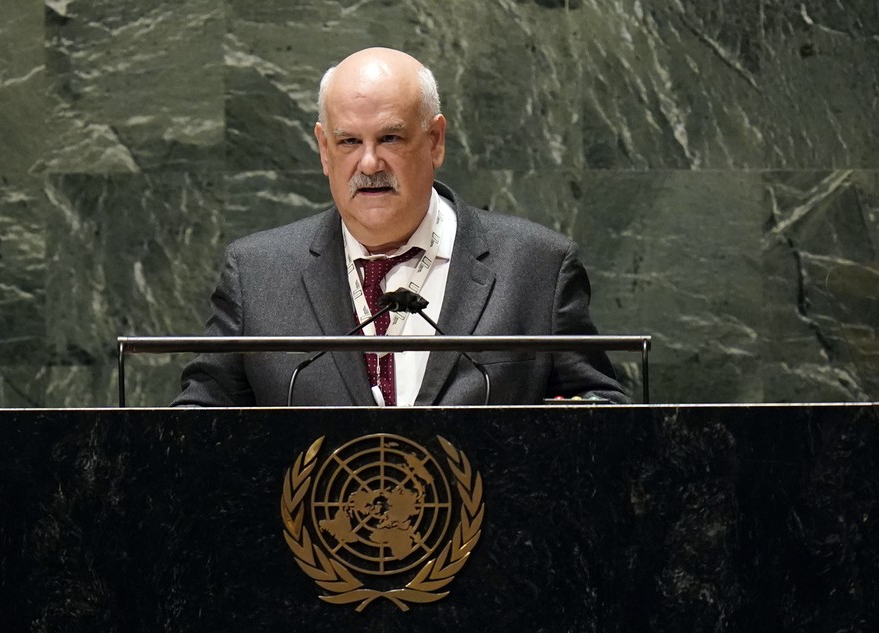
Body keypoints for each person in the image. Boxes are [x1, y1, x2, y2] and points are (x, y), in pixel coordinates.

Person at [173, 47, 629, 407]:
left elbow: (601, 408)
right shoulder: (257, 274)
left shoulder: (537, 268)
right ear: (324, 149)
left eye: (389, 137)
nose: (369, 163)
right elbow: (195, 424)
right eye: (349, 141)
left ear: (434, 141)